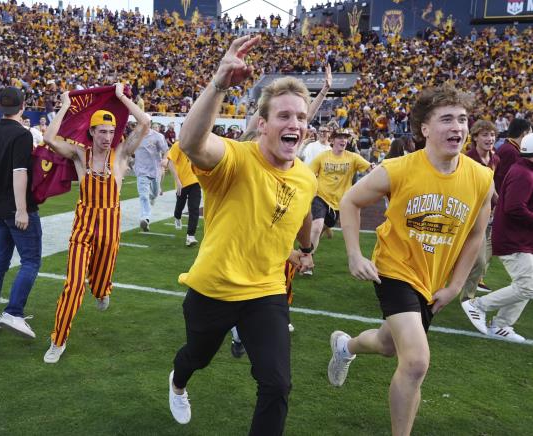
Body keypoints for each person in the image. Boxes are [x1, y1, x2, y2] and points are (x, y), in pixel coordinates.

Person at [167, 35, 316, 435]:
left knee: (277, 383)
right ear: (262, 125)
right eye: (284, 116)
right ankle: (178, 382)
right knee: (195, 358)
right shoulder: (236, 157)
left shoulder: (305, 177)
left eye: (301, 117)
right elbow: (192, 143)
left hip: (265, 293)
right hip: (213, 287)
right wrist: (219, 82)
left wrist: (302, 251)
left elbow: (285, 218)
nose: (295, 124)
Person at [327, 84, 493, 436]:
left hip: (432, 281)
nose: (458, 127)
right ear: (425, 129)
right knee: (416, 362)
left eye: (462, 119)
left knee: (388, 346)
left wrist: (456, 286)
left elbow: (476, 234)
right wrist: (354, 254)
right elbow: (350, 202)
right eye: (447, 119)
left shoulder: (481, 178)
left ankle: (345, 346)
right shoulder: (398, 169)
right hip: (394, 269)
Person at [42, 84, 150, 363]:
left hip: (110, 226)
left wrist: (122, 97)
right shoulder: (81, 154)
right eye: (102, 131)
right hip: (84, 224)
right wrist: (65, 104)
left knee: (100, 284)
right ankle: (58, 339)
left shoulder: (122, 154)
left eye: (111, 131)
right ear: (91, 132)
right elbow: (50, 137)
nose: (107, 136)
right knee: (74, 284)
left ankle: (102, 290)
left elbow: (145, 122)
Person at [0, 87, 42, 339]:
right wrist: (22, 209)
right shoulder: (22, 134)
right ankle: (13, 312)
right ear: (22, 106)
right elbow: (19, 172)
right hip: (14, 207)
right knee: (30, 261)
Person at [461, 133, 533, 343]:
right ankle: (478, 306)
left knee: (526, 284)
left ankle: (501, 325)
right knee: (528, 286)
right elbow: (514, 208)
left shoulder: (525, 171)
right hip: (513, 239)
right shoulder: (524, 174)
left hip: (519, 238)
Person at [307, 128, 372, 271]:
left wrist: (376, 169)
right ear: (332, 140)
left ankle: (305, 245)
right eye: (340, 137)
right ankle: (308, 260)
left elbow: (369, 168)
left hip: (340, 203)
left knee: (321, 228)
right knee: (317, 227)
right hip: (321, 197)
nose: (343, 140)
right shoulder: (322, 157)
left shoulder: (353, 157)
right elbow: (309, 174)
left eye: (345, 137)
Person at [459, 120, 500, 302]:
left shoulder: (495, 158)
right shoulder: (467, 159)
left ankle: (467, 298)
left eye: (492, 135)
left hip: (481, 216)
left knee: (480, 261)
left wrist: (498, 202)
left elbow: (490, 185)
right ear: (475, 137)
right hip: (464, 215)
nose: (489, 138)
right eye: (484, 134)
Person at [134, 122, 168, 231]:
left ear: (149, 124)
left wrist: (165, 159)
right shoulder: (135, 136)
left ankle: (153, 197)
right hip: (141, 171)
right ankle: (145, 218)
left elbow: (166, 150)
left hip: (155, 170)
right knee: (143, 196)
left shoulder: (158, 136)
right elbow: (128, 150)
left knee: (155, 192)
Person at [167, 141, 201, 247]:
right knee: (180, 205)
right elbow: (170, 162)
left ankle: (190, 236)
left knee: (194, 208)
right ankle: (177, 216)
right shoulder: (178, 145)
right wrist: (177, 180)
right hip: (181, 182)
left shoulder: (197, 144)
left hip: (195, 182)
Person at [494, 118, 531, 192]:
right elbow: (502, 180)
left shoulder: (509, 147)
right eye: (531, 133)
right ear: (524, 133)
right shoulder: (511, 152)